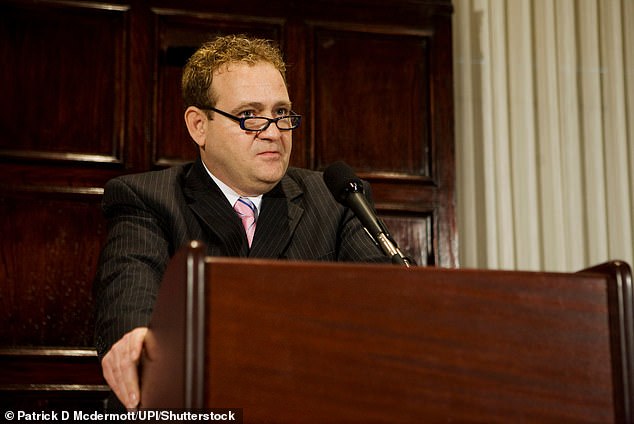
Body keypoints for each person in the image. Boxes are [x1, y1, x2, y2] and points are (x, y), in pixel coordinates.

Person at [93, 34, 388, 410]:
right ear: (198, 125)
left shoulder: (336, 198)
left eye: (282, 113)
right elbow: (129, 289)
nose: (273, 132)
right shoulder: (148, 200)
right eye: (250, 115)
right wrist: (133, 337)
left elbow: (386, 308)